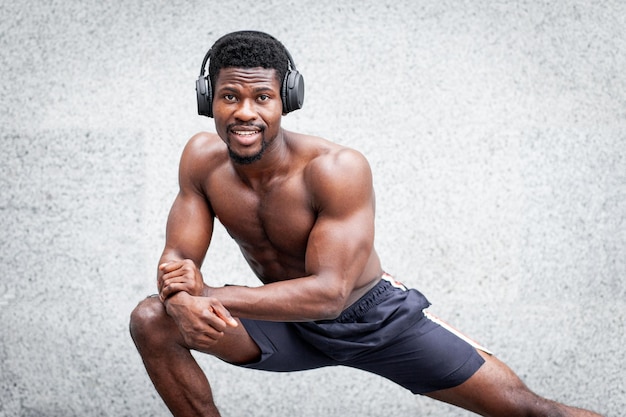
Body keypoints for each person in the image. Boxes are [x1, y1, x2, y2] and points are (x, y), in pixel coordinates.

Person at [129, 30, 603, 417]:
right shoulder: (200, 160)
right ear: (208, 99)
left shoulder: (335, 168)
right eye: (230, 96)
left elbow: (329, 293)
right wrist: (178, 295)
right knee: (153, 318)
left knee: (531, 412)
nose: (245, 112)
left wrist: (204, 295)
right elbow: (178, 256)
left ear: (286, 101)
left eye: (263, 97)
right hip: (283, 324)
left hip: (370, 318)